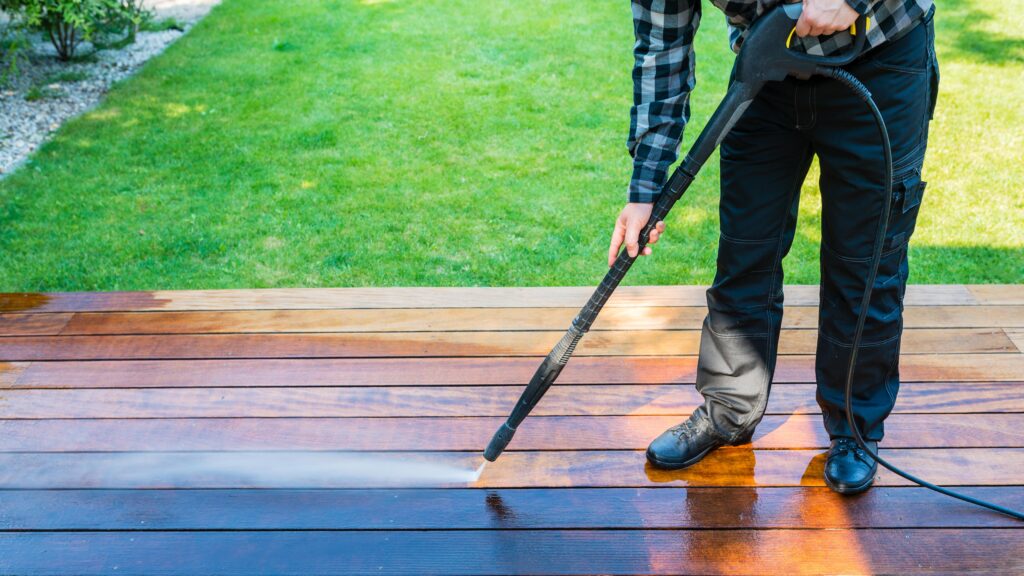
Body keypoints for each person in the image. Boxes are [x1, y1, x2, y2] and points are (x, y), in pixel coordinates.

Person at [610, 0, 938, 494]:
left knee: (866, 262)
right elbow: (662, 45)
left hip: (881, 58)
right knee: (746, 251)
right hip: (767, 65)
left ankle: (855, 429)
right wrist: (645, 186)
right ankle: (728, 411)